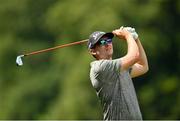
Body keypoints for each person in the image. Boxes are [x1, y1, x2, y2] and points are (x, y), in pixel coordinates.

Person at [87, 26, 149, 120]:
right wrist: (128, 36)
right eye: (102, 42)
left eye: (108, 40)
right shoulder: (99, 68)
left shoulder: (118, 67)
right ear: (93, 51)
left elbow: (143, 66)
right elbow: (134, 56)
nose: (107, 44)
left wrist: (136, 39)